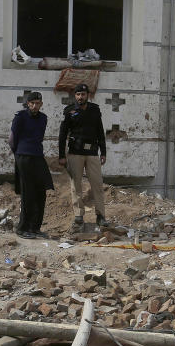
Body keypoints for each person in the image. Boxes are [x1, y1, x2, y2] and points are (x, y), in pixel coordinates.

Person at [58, 83, 108, 233]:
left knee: (97, 185)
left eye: (83, 94)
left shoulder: (95, 110)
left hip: (92, 153)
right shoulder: (70, 111)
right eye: (78, 94)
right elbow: (62, 134)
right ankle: (78, 217)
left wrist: (103, 152)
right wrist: (61, 155)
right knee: (76, 186)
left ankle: (100, 216)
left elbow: (100, 131)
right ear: (75, 96)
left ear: (88, 95)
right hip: (75, 153)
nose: (81, 97)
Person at [9, 91, 53, 239]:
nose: (35, 106)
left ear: (41, 104)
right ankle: (22, 228)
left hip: (38, 156)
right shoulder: (20, 117)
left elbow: (39, 137)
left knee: (41, 190)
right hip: (24, 156)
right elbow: (12, 139)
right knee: (27, 193)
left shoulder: (43, 118)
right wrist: (18, 153)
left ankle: (35, 227)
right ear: (28, 104)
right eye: (32, 103)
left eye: (38, 103)